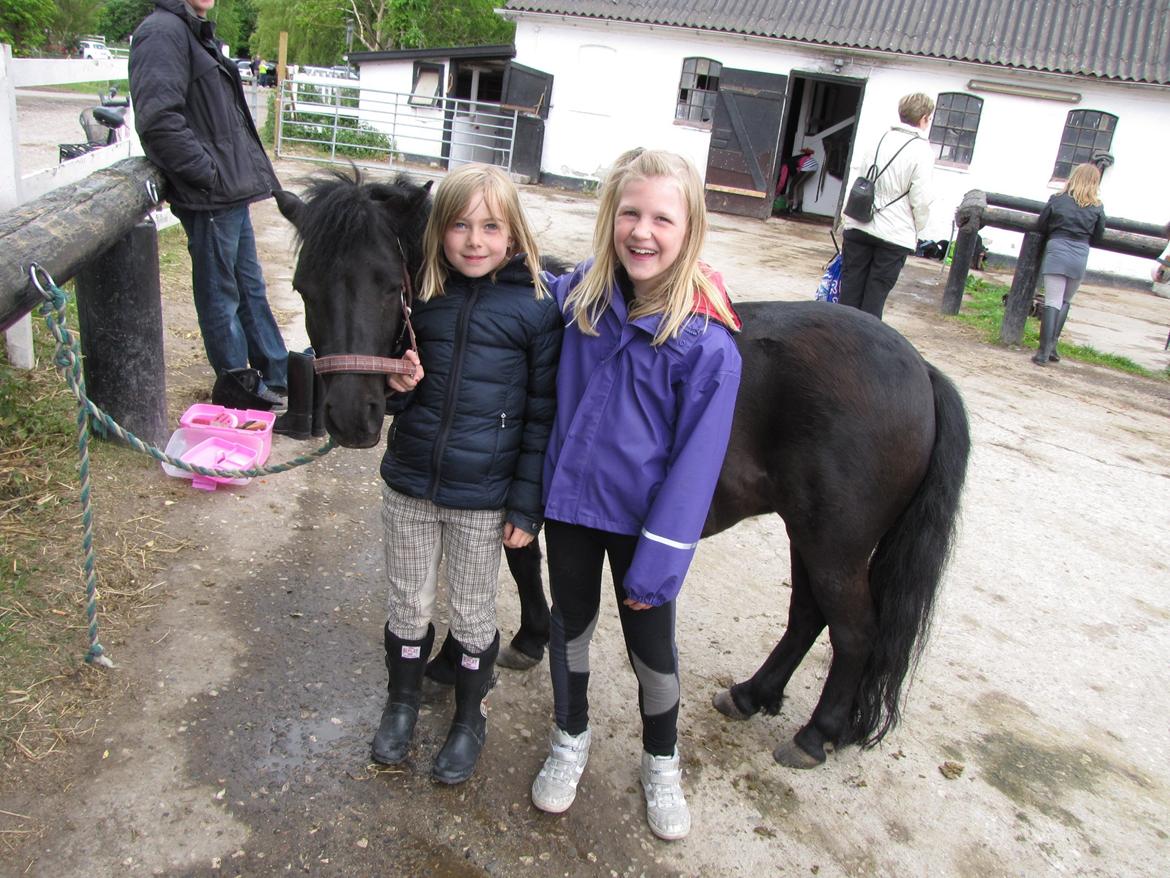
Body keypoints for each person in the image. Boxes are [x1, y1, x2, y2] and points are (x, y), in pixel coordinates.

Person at [528, 149, 743, 841]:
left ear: (690, 229)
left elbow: (696, 467)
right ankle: (570, 738)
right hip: (570, 513)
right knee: (572, 630)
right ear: (609, 217)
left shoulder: (707, 344)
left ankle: (661, 759)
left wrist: (661, 562)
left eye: (661, 218)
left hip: (643, 530)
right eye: (629, 213)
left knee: (653, 653)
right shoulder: (579, 301)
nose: (642, 232)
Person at [370, 163, 562, 785]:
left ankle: (468, 717)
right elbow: (398, 393)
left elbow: (541, 416)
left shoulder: (536, 309)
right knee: (408, 603)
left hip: (483, 498)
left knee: (475, 613)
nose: (474, 241)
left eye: (490, 226)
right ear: (438, 231)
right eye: (459, 225)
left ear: (514, 235)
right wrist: (395, 387)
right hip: (410, 484)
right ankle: (401, 703)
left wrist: (526, 508)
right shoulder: (421, 295)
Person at [130, 0, 288, 408]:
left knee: (249, 286)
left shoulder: (193, 31)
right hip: (211, 192)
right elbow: (158, 120)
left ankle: (276, 372)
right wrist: (207, 173)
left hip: (228, 190)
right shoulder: (162, 31)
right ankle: (239, 384)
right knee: (221, 293)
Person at [839, 92, 936, 319]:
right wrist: (917, 229)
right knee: (875, 298)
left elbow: (860, 179)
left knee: (849, 294)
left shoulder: (878, 139)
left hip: (860, 223)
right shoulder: (921, 151)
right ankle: (866, 351)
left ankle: (840, 347)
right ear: (923, 118)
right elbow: (921, 199)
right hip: (894, 234)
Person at [1033, 163, 1106, 366]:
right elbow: (1099, 235)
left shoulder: (1057, 200)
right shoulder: (1097, 206)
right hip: (1080, 253)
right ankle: (1053, 347)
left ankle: (1043, 352)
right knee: (1065, 301)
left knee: (1052, 301)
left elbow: (1041, 224)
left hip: (1057, 248)